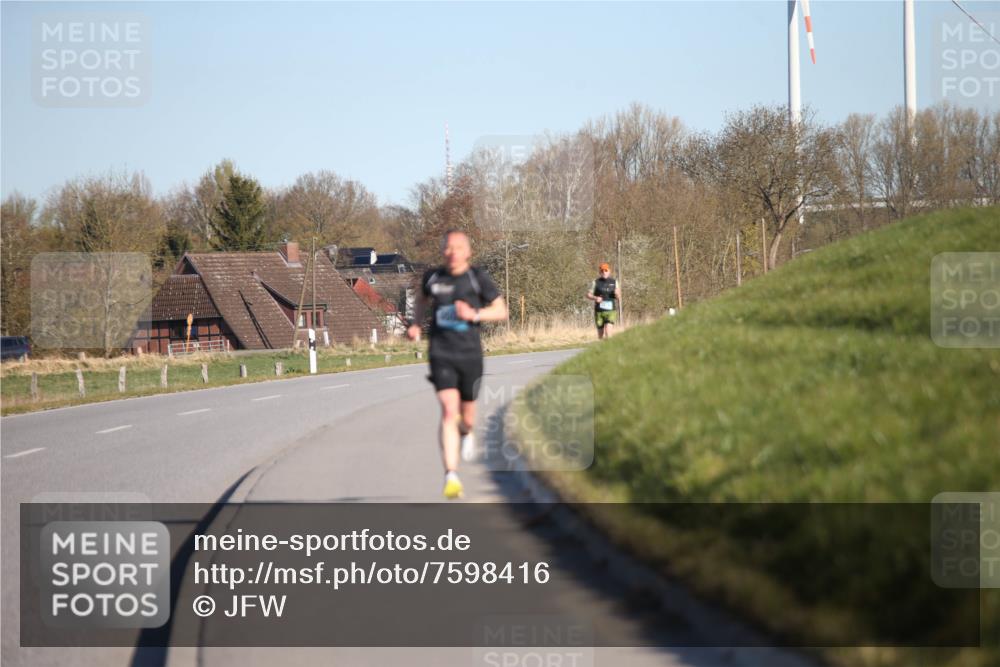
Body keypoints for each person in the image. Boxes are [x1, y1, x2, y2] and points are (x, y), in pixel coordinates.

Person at [407, 230, 508, 499]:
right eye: (448, 247)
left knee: (467, 415)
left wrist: (474, 313)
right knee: (449, 412)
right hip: (441, 353)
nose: (452, 252)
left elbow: (501, 310)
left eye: (458, 247)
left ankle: (468, 431)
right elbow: (420, 300)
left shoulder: (477, 278)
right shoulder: (433, 278)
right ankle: (451, 475)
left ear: (468, 252)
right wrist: (416, 324)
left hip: (470, 354)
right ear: (443, 251)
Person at [587, 262, 620, 339]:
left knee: (608, 332)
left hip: (610, 311)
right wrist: (595, 298)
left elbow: (618, 297)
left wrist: (617, 294)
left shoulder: (614, 282)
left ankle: (610, 349)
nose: (604, 272)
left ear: (609, 271)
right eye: (602, 271)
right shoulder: (595, 282)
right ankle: (602, 349)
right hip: (599, 312)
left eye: (606, 270)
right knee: (600, 335)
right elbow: (588, 295)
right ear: (600, 272)